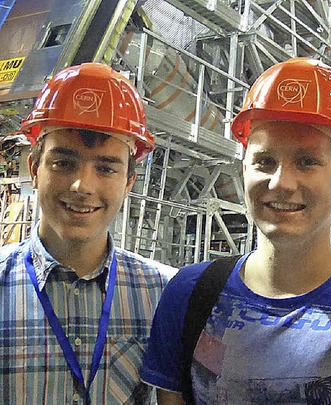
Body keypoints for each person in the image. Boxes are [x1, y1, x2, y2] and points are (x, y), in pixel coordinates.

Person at [141, 57, 331, 404]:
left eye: (307, 162)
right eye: (265, 161)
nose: (282, 183)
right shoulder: (190, 296)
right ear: (244, 170)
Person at [0, 63, 176, 404]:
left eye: (106, 168)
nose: (82, 185)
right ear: (34, 169)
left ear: (128, 182)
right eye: (64, 163)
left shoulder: (166, 295)